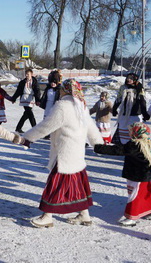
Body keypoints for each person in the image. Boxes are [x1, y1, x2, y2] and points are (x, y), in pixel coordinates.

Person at [23, 79, 104, 228]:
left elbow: (46, 126)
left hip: (64, 153)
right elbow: (91, 127)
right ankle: (84, 214)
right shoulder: (81, 105)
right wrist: (98, 144)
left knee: (55, 184)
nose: (60, 91)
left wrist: (27, 138)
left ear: (66, 90)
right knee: (78, 184)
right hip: (76, 153)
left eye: (62, 88)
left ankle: (47, 216)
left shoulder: (63, 106)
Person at [94, 122, 151, 226]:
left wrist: (98, 148)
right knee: (145, 194)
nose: (129, 133)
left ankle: (131, 217)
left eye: (131, 131)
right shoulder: (148, 143)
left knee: (134, 196)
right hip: (145, 175)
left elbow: (117, 150)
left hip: (135, 176)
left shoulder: (134, 145)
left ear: (136, 133)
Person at [112, 73, 150, 144]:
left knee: (134, 133)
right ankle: (123, 146)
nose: (129, 80)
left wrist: (144, 113)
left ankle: (133, 147)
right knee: (123, 132)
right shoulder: (123, 87)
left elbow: (142, 101)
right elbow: (118, 99)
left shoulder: (139, 88)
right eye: (128, 78)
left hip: (135, 114)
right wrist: (114, 109)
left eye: (131, 78)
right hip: (124, 114)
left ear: (135, 80)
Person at [12, 68, 41, 133]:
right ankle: (35, 129)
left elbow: (37, 91)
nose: (27, 75)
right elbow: (18, 91)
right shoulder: (23, 82)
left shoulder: (34, 82)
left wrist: (37, 100)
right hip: (24, 98)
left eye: (28, 74)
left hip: (31, 98)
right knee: (30, 113)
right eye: (26, 74)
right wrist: (14, 98)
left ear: (31, 74)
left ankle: (18, 128)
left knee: (26, 114)